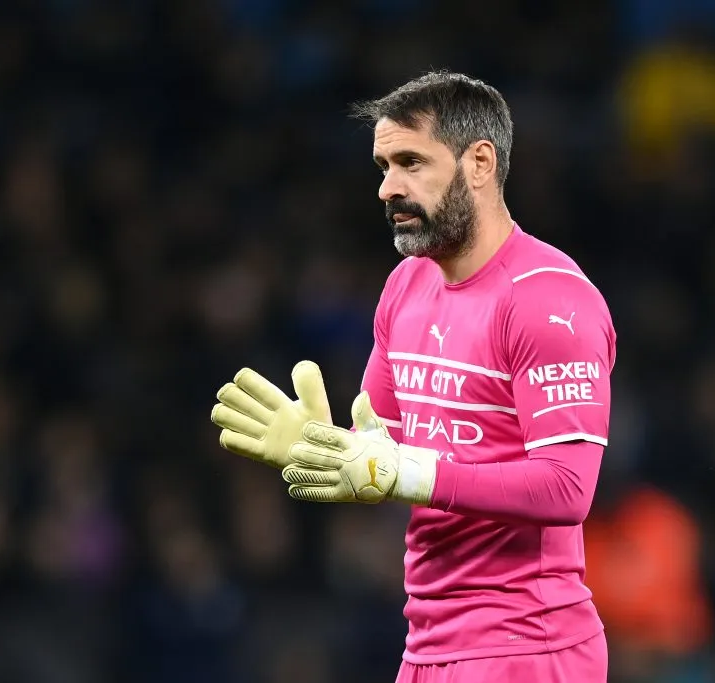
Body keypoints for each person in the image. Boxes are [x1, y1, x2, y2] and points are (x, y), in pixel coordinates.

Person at [211, 71, 615, 683]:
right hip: (427, 644)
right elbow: (382, 449)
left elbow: (567, 489)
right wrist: (328, 449)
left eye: (410, 163)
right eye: (382, 166)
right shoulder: (407, 284)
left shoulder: (547, 300)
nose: (386, 187)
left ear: (479, 162)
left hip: (526, 650)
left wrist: (407, 472)